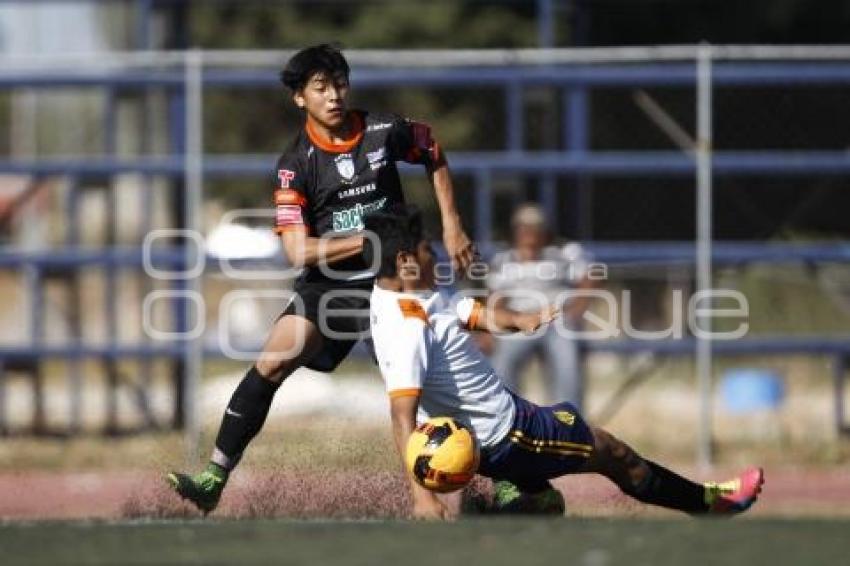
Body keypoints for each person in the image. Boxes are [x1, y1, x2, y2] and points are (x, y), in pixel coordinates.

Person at [167, 44, 476, 514]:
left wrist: (453, 224)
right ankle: (214, 475)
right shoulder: (295, 165)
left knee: (435, 382)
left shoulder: (383, 131)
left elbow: (432, 149)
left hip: (394, 279)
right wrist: (370, 238)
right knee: (273, 360)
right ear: (299, 98)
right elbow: (298, 250)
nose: (334, 96)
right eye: (321, 87)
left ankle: (507, 478)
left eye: (339, 84)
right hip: (329, 282)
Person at [366, 207, 763, 520]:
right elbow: (403, 416)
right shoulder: (406, 329)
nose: (436, 257)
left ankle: (519, 506)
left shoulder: (411, 291)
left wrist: (520, 320)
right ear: (404, 261)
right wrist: (423, 497)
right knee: (613, 452)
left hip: (502, 421)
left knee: (539, 498)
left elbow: (466, 311)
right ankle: (710, 504)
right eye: (427, 250)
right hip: (509, 434)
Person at [487, 203, 594, 409]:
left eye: (535, 227)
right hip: (519, 320)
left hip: (556, 319)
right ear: (515, 230)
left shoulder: (563, 253)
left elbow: (588, 277)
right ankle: (508, 418)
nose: (529, 233)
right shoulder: (504, 259)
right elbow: (496, 297)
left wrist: (576, 311)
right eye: (524, 227)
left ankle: (570, 423)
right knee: (502, 364)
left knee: (567, 364)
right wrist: (492, 326)